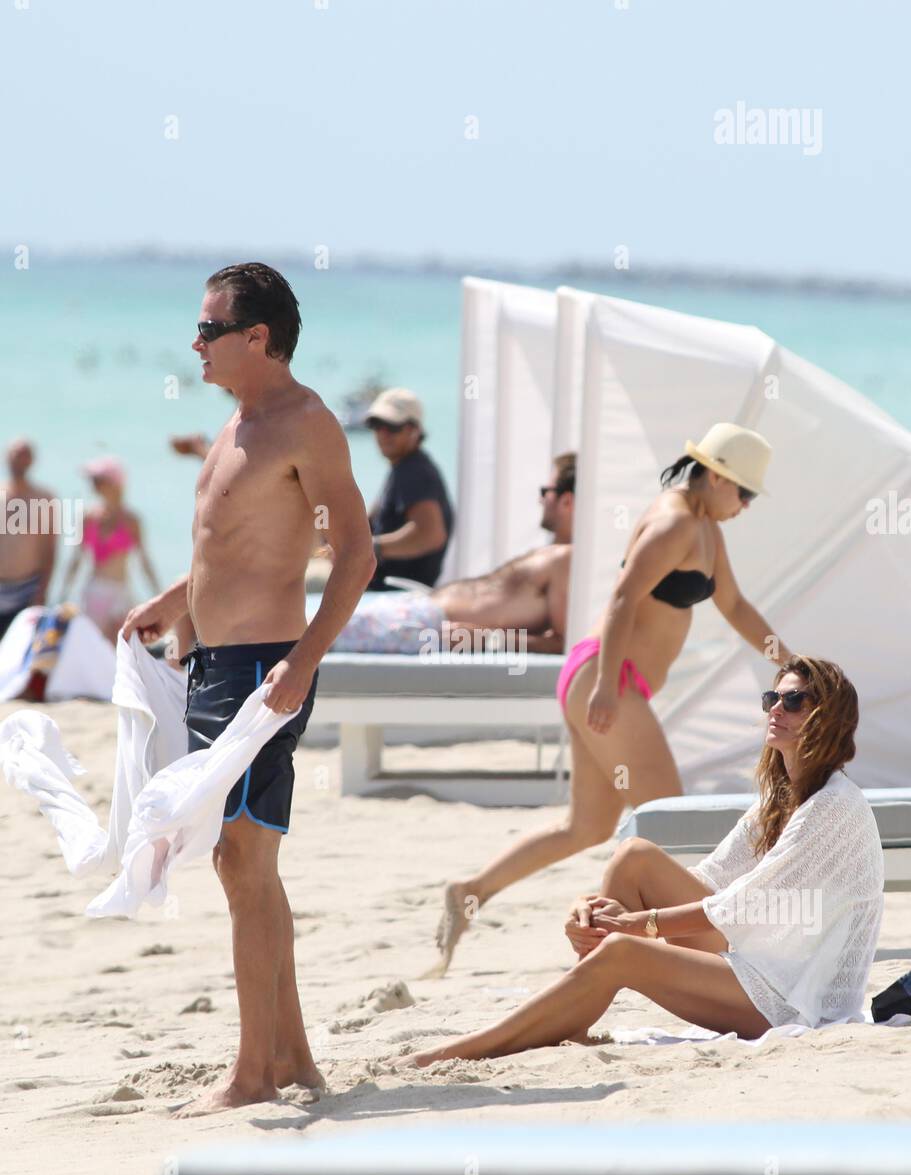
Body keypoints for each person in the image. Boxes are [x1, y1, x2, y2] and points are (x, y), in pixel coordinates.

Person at [120, 261, 375, 1116]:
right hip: (215, 664)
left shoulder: (307, 425)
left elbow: (356, 556)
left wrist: (302, 659)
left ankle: (252, 1075)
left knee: (242, 858)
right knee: (246, 865)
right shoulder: (235, 424)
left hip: (266, 665)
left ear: (256, 338)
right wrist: (164, 606)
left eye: (207, 329)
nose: (194, 344)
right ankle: (292, 1055)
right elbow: (221, 550)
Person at [432, 423, 795, 975]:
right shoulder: (675, 520)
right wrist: (605, 685)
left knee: (587, 828)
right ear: (717, 477)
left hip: (607, 679)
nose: (746, 505)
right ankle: (670, 945)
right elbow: (623, 595)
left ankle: (472, 892)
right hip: (609, 679)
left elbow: (736, 606)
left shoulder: (705, 527)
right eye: (744, 492)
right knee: (673, 817)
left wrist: (787, 661)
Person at [401, 656, 885, 1065]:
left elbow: (741, 907)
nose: (776, 709)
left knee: (622, 951)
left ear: (827, 718)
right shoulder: (780, 797)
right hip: (758, 968)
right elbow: (709, 881)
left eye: (793, 700)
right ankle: (576, 1003)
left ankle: (465, 1050)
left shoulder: (832, 807)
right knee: (633, 857)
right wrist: (591, 909)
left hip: (793, 1000)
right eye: (771, 699)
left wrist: (635, 926)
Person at [330, 453, 575, 655]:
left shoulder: (566, 559)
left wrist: (487, 639)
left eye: (546, 491)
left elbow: (564, 641)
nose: (541, 500)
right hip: (422, 613)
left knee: (316, 635)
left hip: (428, 625)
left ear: (567, 501)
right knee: (316, 628)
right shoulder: (556, 556)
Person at [58, 457, 161, 644]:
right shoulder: (88, 517)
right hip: (94, 592)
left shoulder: (131, 521)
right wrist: (62, 596)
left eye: (98, 481)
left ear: (114, 484)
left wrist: (159, 596)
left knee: (121, 649)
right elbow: (76, 560)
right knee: (96, 649)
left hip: (120, 592)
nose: (93, 486)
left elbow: (144, 561)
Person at [364, 387, 454, 591]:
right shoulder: (406, 469)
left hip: (398, 595)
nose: (383, 434)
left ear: (415, 430)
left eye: (392, 427)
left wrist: (372, 547)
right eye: (377, 425)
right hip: (390, 592)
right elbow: (369, 523)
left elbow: (430, 534)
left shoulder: (413, 471)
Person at [0, 439, 57, 640]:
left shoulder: (43, 499)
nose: (18, 459)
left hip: (28, 589)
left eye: (24, 454)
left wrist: (42, 590)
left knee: (23, 652)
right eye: (15, 454)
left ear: (31, 460)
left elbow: (50, 550)